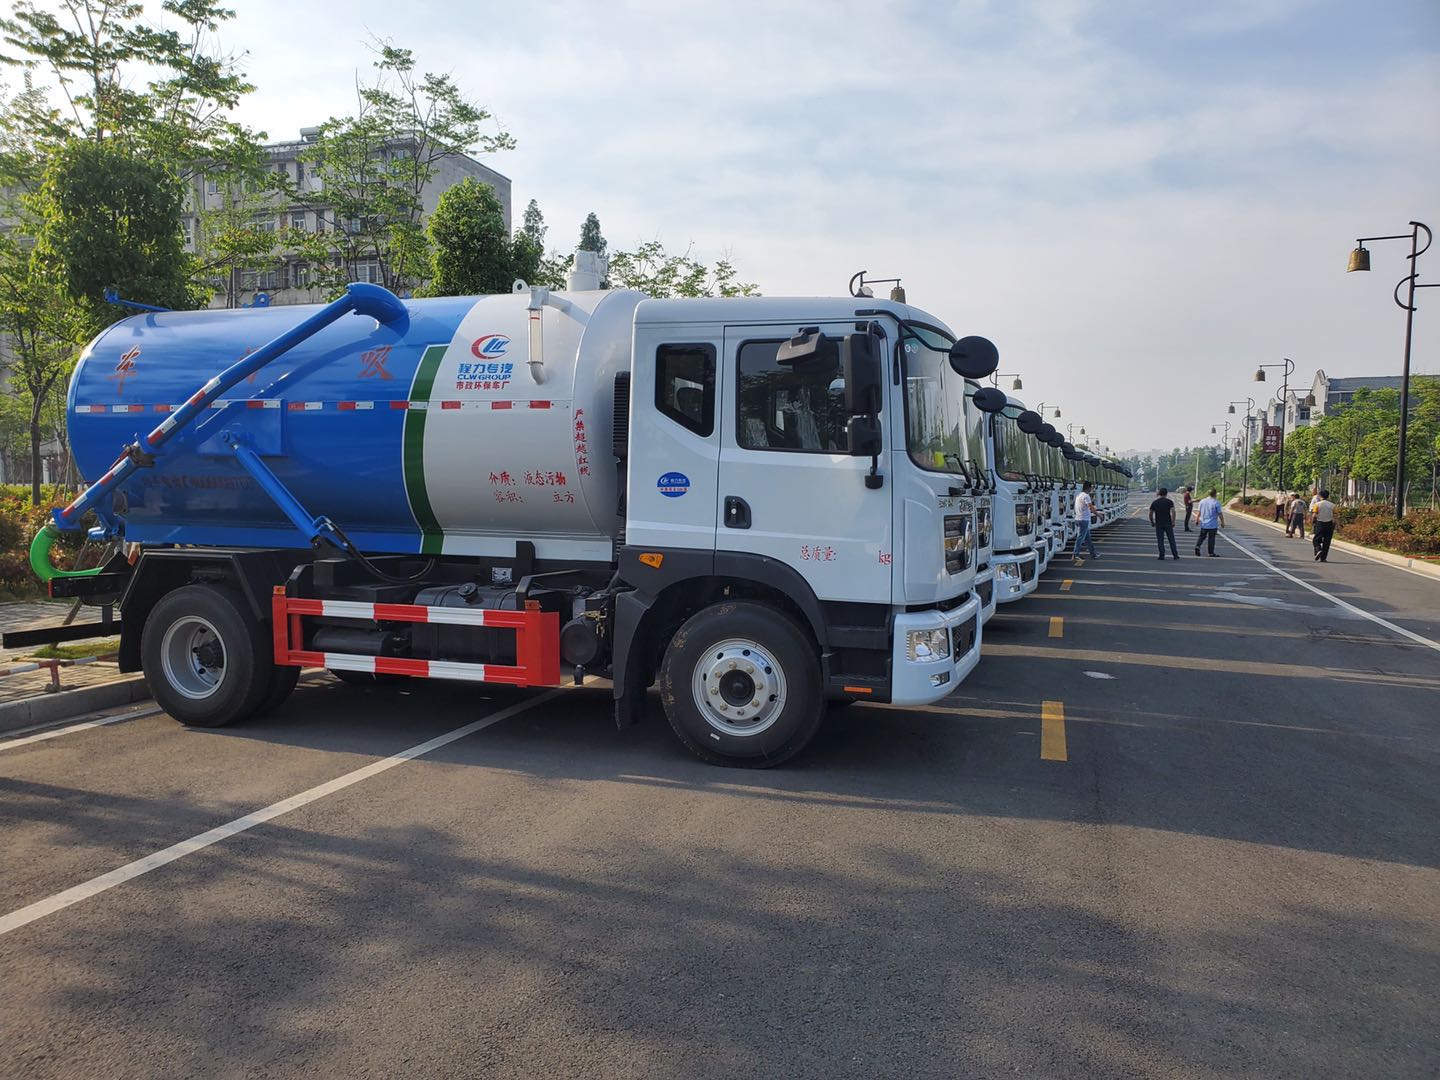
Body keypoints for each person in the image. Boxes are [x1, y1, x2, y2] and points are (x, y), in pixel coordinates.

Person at [1149, 486, 1179, 559]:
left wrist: (1152, 522)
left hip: (1158, 523)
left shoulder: (1155, 502)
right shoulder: (1169, 502)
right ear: (1166, 494)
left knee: (1160, 540)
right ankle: (1175, 555)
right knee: (1171, 539)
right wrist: (1173, 521)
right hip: (1168, 523)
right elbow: (1173, 512)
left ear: (1159, 493)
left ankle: (1162, 555)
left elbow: (1150, 513)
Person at [1193, 487, 1224, 556]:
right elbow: (1220, 513)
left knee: (1202, 536)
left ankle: (1197, 546)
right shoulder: (1216, 502)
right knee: (1211, 538)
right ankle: (1211, 552)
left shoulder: (1202, 501)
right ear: (1215, 494)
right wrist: (1222, 522)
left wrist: (1197, 519)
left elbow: (1199, 512)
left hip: (1204, 523)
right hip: (1212, 524)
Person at [1073, 481, 1099, 560]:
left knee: (1088, 538)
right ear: (1089, 487)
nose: (1092, 489)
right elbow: (1091, 507)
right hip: (1083, 519)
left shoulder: (1079, 495)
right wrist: (1099, 515)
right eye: (1091, 487)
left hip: (1078, 518)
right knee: (1080, 538)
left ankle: (1093, 553)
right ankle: (1075, 554)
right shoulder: (1086, 496)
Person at [1311, 490, 1337, 562]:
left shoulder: (1317, 504)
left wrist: (1313, 522)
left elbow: (1314, 515)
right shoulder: (1332, 505)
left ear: (1320, 496)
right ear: (1328, 496)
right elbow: (1334, 516)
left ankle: (1318, 549)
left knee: (1316, 540)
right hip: (1329, 524)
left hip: (1320, 523)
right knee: (1327, 541)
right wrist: (1334, 524)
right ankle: (1323, 558)